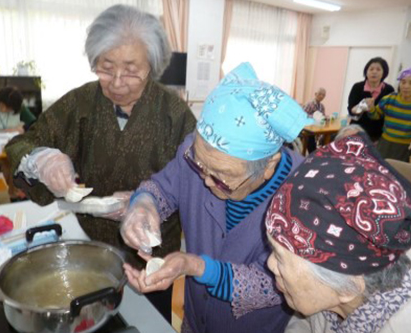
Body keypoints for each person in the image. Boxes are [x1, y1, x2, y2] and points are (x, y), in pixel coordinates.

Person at [5, 5, 196, 322]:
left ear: (153, 65)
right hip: (89, 251)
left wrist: (148, 204)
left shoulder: (175, 115)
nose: (118, 82)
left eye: (132, 70)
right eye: (106, 68)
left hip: (152, 260)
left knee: (149, 323)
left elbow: (199, 186)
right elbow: (21, 144)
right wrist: (43, 159)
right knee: (90, 320)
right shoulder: (81, 104)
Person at [120, 62, 313, 333]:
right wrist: (143, 206)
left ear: (269, 166)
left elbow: (276, 285)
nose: (205, 181)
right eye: (200, 164)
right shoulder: (198, 151)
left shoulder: (304, 194)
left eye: (221, 177)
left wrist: (196, 267)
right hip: (195, 318)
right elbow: (163, 187)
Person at [265, 132, 411, 333]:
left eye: (280, 257)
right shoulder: (331, 289)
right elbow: (305, 322)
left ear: (347, 288)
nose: (270, 264)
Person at [362, 67, 411, 162]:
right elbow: (375, 116)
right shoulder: (389, 98)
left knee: (400, 173)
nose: (406, 86)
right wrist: (371, 108)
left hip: (407, 147)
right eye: (403, 82)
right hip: (385, 144)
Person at [347, 57, 395, 142]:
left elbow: (389, 113)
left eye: (378, 69)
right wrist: (361, 106)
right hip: (356, 131)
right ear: (366, 72)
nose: (374, 72)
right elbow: (351, 110)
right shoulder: (357, 87)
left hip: (378, 134)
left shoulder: (389, 90)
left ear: (384, 72)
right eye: (371, 69)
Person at [303, 88, 326, 153]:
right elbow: (303, 115)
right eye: (320, 94)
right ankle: (312, 152)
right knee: (311, 139)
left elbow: (323, 116)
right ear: (315, 94)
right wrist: (313, 116)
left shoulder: (322, 106)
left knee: (327, 135)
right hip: (308, 127)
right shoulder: (309, 104)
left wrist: (325, 117)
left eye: (323, 95)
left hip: (318, 127)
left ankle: (320, 151)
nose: (321, 96)